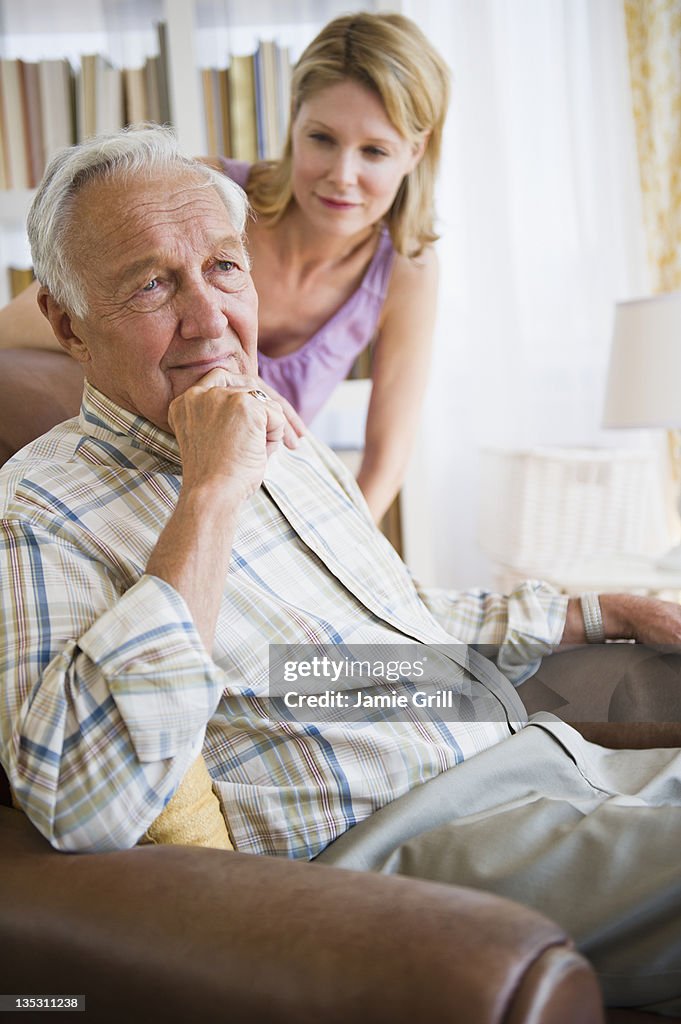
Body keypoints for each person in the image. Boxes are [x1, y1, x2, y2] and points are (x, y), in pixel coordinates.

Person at [2, 126, 681, 1016]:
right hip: (409, 851)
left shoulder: (274, 428)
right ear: (66, 324)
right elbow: (82, 799)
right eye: (152, 284)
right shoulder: (34, 510)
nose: (208, 320)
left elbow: (388, 631)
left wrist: (593, 611)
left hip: (535, 763)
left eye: (222, 268)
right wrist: (207, 492)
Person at [0, 11, 449, 523]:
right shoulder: (203, 201)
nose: (342, 176)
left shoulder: (407, 268)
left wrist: (345, 558)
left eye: (374, 151)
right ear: (294, 121)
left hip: (258, 494)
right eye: (322, 139)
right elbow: (38, 320)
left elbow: (386, 462)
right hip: (140, 481)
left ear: (414, 151)